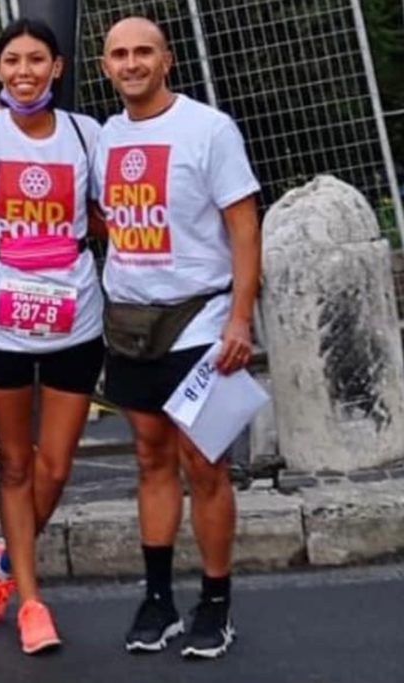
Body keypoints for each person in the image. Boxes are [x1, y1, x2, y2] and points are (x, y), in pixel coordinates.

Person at [93, 17, 261, 659]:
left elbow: (243, 226)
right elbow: (104, 217)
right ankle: (158, 598)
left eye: (144, 52)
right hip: (130, 321)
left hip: (200, 319)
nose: (132, 63)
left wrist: (239, 317)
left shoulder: (208, 129)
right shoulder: (105, 138)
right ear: (106, 66)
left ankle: (215, 601)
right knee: (150, 458)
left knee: (205, 463)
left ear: (167, 60)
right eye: (119, 54)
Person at [0, 18, 105, 654]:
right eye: (11, 61)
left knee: (55, 466)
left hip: (76, 314)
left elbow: (109, 210)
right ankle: (31, 604)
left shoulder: (86, 134)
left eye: (36, 60)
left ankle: (7, 563)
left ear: (57, 68)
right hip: (1, 320)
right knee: (14, 464)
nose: (24, 72)